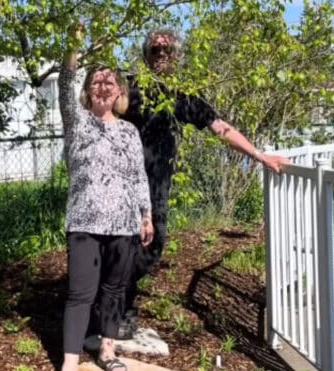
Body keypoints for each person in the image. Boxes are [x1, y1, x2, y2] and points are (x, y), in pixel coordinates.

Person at [111, 29, 288, 338]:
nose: (162, 55)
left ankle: (117, 300)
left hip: (156, 186)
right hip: (122, 182)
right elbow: (102, 115)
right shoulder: (130, 88)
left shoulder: (184, 96)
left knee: (151, 248)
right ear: (145, 55)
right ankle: (118, 310)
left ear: (176, 56)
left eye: (167, 50)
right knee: (120, 245)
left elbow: (220, 128)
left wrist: (259, 155)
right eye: (156, 50)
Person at [47, 26, 153, 371]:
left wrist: (146, 215)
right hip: (84, 221)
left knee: (113, 290)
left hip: (124, 223)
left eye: (111, 82)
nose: (104, 87)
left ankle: (107, 350)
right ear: (88, 90)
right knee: (80, 294)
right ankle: (70, 366)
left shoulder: (128, 132)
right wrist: (74, 44)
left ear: (119, 93)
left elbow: (138, 175)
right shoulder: (76, 124)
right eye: (97, 81)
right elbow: (64, 82)